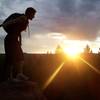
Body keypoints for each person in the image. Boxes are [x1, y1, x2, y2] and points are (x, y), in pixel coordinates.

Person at [1, 7, 36, 81]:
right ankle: (10, 78)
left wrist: (20, 41)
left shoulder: (25, 20)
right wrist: (3, 25)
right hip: (10, 40)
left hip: (14, 40)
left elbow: (18, 31)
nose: (34, 16)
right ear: (29, 13)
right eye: (33, 14)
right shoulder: (22, 18)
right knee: (11, 59)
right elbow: (12, 22)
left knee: (20, 57)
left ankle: (19, 75)